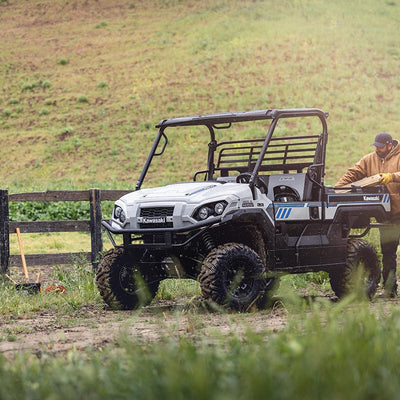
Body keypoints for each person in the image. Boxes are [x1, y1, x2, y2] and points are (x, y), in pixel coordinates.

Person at [336, 132, 400, 297]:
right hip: (388, 215)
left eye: (380, 147)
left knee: (389, 252)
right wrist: (337, 190)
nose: (378, 150)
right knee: (388, 252)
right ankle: (389, 290)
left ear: (389, 145)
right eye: (376, 147)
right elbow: (353, 173)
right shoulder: (370, 159)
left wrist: (392, 177)